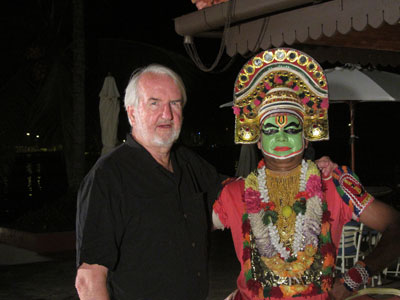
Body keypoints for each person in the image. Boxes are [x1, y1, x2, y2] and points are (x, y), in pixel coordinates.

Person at [212, 48, 400, 300]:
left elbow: (396, 226)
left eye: (291, 128)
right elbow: (184, 227)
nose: (280, 136)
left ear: (305, 134)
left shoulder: (334, 185)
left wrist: (355, 278)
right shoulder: (234, 193)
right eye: (269, 129)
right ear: (257, 139)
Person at [75, 64, 225, 300]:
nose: (167, 114)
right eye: (154, 103)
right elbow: (89, 279)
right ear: (132, 113)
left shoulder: (187, 161)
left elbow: (228, 198)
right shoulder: (108, 176)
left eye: (174, 103)